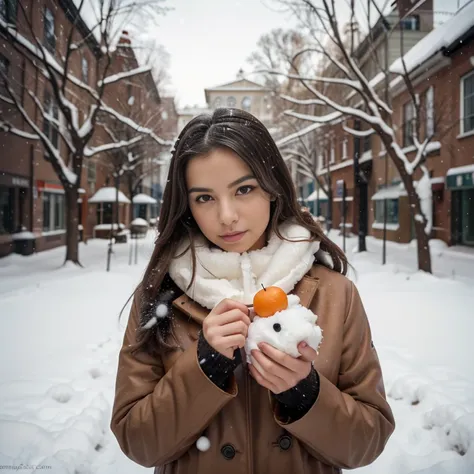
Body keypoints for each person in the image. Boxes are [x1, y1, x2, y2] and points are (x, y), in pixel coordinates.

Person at [110, 108, 395, 474]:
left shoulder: (336, 294)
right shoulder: (161, 295)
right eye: (204, 198)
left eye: (244, 189)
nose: (227, 215)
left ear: (272, 188)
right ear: (187, 206)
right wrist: (203, 367)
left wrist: (304, 394)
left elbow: (368, 441)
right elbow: (138, 442)